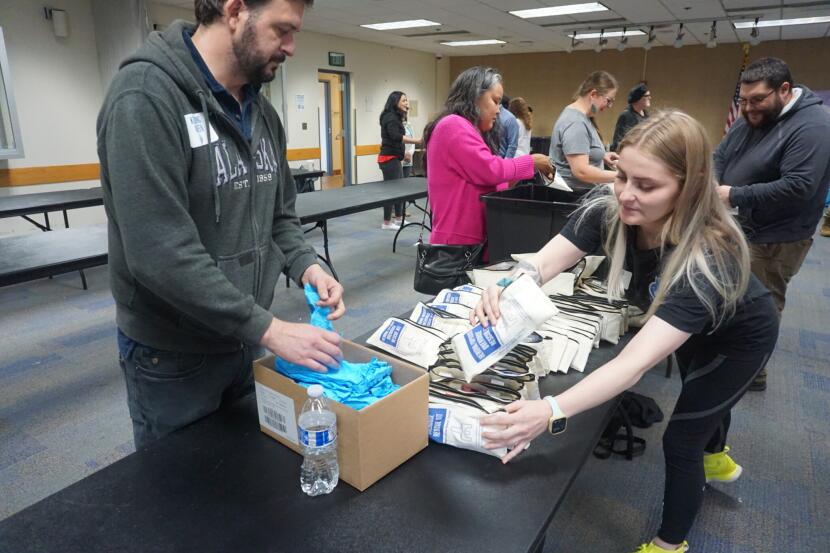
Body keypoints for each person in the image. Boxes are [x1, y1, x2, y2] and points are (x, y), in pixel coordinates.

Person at [474, 111, 779, 553]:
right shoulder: (609, 210)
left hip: (740, 337)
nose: (626, 195)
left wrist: (551, 411)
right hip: (699, 323)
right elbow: (541, 264)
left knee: (683, 435)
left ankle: (670, 543)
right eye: (622, 176)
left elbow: (633, 364)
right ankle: (715, 456)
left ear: (689, 186)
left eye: (648, 186)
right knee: (701, 391)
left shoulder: (707, 259)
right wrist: (506, 285)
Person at [97, 0, 345, 449]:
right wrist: (269, 329)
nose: (290, 47)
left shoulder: (262, 115)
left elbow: (280, 217)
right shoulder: (146, 98)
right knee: (181, 497)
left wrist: (309, 267)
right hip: (172, 355)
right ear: (234, 11)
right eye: (282, 30)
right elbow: (160, 253)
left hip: (239, 339)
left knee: (241, 478)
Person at [714, 56, 830, 391]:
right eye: (744, 101)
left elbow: (799, 186)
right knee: (732, 293)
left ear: (784, 90)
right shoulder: (752, 114)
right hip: (741, 224)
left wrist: (734, 194)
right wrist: (713, 180)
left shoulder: (813, 126)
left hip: (778, 236)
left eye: (757, 100)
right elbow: (721, 154)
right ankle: (730, 352)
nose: (749, 108)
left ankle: (752, 373)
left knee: (760, 303)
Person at [423, 66, 553, 255]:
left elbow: (488, 182)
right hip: (458, 243)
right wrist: (530, 162)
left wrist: (512, 178)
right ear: (475, 96)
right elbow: (489, 170)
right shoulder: (454, 125)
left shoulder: (469, 129)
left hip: (473, 240)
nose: (499, 110)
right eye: (495, 101)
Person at [549, 70, 620, 190]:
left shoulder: (582, 118)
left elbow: (580, 150)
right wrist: (622, 176)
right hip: (576, 197)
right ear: (593, 95)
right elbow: (581, 171)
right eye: (608, 100)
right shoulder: (575, 122)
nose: (609, 106)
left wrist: (601, 155)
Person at [378, 91, 421, 230]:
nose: (407, 103)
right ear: (395, 102)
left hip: (395, 158)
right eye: (404, 101)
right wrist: (418, 141)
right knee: (391, 191)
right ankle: (386, 222)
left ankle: (398, 219)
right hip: (389, 159)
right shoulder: (390, 117)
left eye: (407, 101)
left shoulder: (396, 117)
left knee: (399, 190)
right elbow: (395, 136)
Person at [610, 83, 651, 152]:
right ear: (638, 98)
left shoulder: (647, 115)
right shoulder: (626, 116)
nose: (650, 97)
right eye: (647, 96)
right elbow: (618, 141)